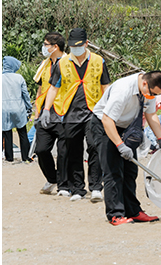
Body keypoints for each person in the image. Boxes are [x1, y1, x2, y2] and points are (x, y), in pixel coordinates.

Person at [90, 70, 161, 225]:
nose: (152, 97)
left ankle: (133, 211)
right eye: (152, 93)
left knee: (130, 170)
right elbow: (107, 120)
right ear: (145, 83)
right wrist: (119, 145)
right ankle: (115, 214)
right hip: (104, 125)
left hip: (125, 127)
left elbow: (151, 114)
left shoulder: (148, 91)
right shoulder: (123, 89)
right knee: (113, 171)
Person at [42, 28, 110, 202]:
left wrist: (109, 110)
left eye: (79, 46)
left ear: (86, 44)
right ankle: (78, 188)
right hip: (70, 113)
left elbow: (106, 87)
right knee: (74, 151)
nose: (76, 49)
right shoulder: (62, 63)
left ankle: (95, 187)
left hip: (93, 111)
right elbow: (54, 88)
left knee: (94, 147)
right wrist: (46, 110)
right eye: (73, 46)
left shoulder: (98, 61)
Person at [31, 32, 66, 195]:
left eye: (46, 44)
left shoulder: (68, 63)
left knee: (64, 151)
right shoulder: (44, 64)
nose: (43, 47)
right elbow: (40, 88)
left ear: (55, 46)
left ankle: (65, 183)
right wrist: (37, 112)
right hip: (45, 111)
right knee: (42, 149)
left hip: (63, 110)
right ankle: (53, 178)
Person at [2, 56, 32, 163]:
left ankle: (9, 158)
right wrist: (29, 108)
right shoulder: (19, 78)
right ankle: (26, 157)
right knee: (22, 133)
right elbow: (25, 95)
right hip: (18, 108)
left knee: (7, 133)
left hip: (3, 109)